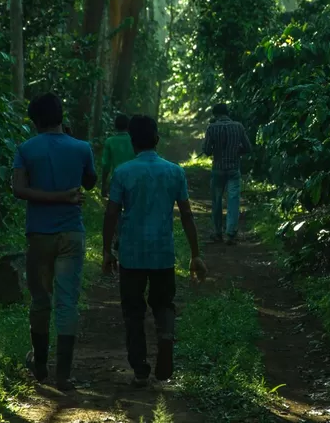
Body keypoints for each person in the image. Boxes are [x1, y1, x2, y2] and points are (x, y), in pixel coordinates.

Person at [102, 115, 207, 390]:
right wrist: (195, 254)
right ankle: (166, 336)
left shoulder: (123, 172)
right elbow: (186, 214)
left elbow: (111, 213)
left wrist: (106, 251)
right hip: (162, 253)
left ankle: (139, 370)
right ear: (157, 140)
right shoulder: (175, 172)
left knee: (133, 311)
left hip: (132, 254)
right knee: (163, 303)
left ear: (132, 142)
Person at [12, 93, 97, 391]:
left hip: (39, 234)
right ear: (61, 116)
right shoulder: (82, 147)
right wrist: (64, 194)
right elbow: (90, 181)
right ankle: (64, 374)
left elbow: (19, 189)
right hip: (72, 232)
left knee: (40, 300)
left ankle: (40, 366)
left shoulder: (25, 149)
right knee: (67, 301)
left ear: (35, 120)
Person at [201, 103, 251, 245]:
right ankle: (231, 233)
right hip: (234, 169)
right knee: (233, 200)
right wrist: (237, 151)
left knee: (217, 201)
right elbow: (248, 148)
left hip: (218, 169)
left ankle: (217, 232)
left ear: (215, 115)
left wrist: (213, 150)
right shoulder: (238, 127)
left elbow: (207, 150)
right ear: (227, 113)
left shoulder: (212, 128)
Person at [100, 114, 136, 262]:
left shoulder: (110, 141)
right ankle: (129, 237)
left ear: (115, 126)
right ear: (128, 127)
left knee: (115, 211)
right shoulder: (134, 140)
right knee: (131, 208)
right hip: (134, 179)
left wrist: (103, 183)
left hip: (117, 179)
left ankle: (120, 236)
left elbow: (105, 165)